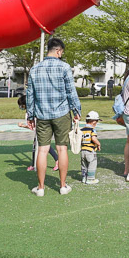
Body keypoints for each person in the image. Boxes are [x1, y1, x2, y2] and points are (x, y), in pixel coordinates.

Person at [26, 37, 81, 196]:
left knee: (42, 150)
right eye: (61, 52)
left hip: (42, 114)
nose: (61, 55)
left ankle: (41, 188)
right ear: (58, 51)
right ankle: (63, 186)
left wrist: (30, 115)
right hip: (62, 114)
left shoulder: (35, 69)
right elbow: (71, 92)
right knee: (62, 149)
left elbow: (30, 94)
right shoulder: (64, 67)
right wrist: (76, 110)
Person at [17, 94, 59, 172]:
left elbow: (34, 125)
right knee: (35, 147)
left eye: (22, 105)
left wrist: (23, 126)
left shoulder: (33, 111)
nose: (21, 107)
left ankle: (57, 161)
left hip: (42, 129)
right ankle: (33, 164)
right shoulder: (30, 111)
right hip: (38, 130)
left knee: (44, 145)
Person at [80, 110, 102, 184]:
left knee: (84, 165)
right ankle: (90, 179)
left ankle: (84, 177)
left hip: (83, 150)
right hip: (90, 150)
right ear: (93, 122)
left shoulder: (82, 130)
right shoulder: (92, 130)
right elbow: (93, 138)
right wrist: (98, 144)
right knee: (92, 164)